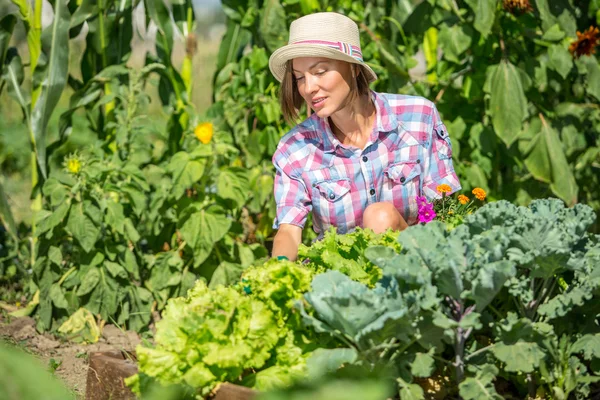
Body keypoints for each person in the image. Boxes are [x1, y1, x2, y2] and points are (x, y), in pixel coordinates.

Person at [268, 12, 461, 261]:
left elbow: (444, 212)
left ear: (353, 68)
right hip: (340, 282)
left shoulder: (417, 118)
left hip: (416, 267)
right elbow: (288, 231)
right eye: (299, 78)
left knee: (380, 216)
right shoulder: (295, 148)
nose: (308, 87)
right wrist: (278, 271)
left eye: (320, 71)